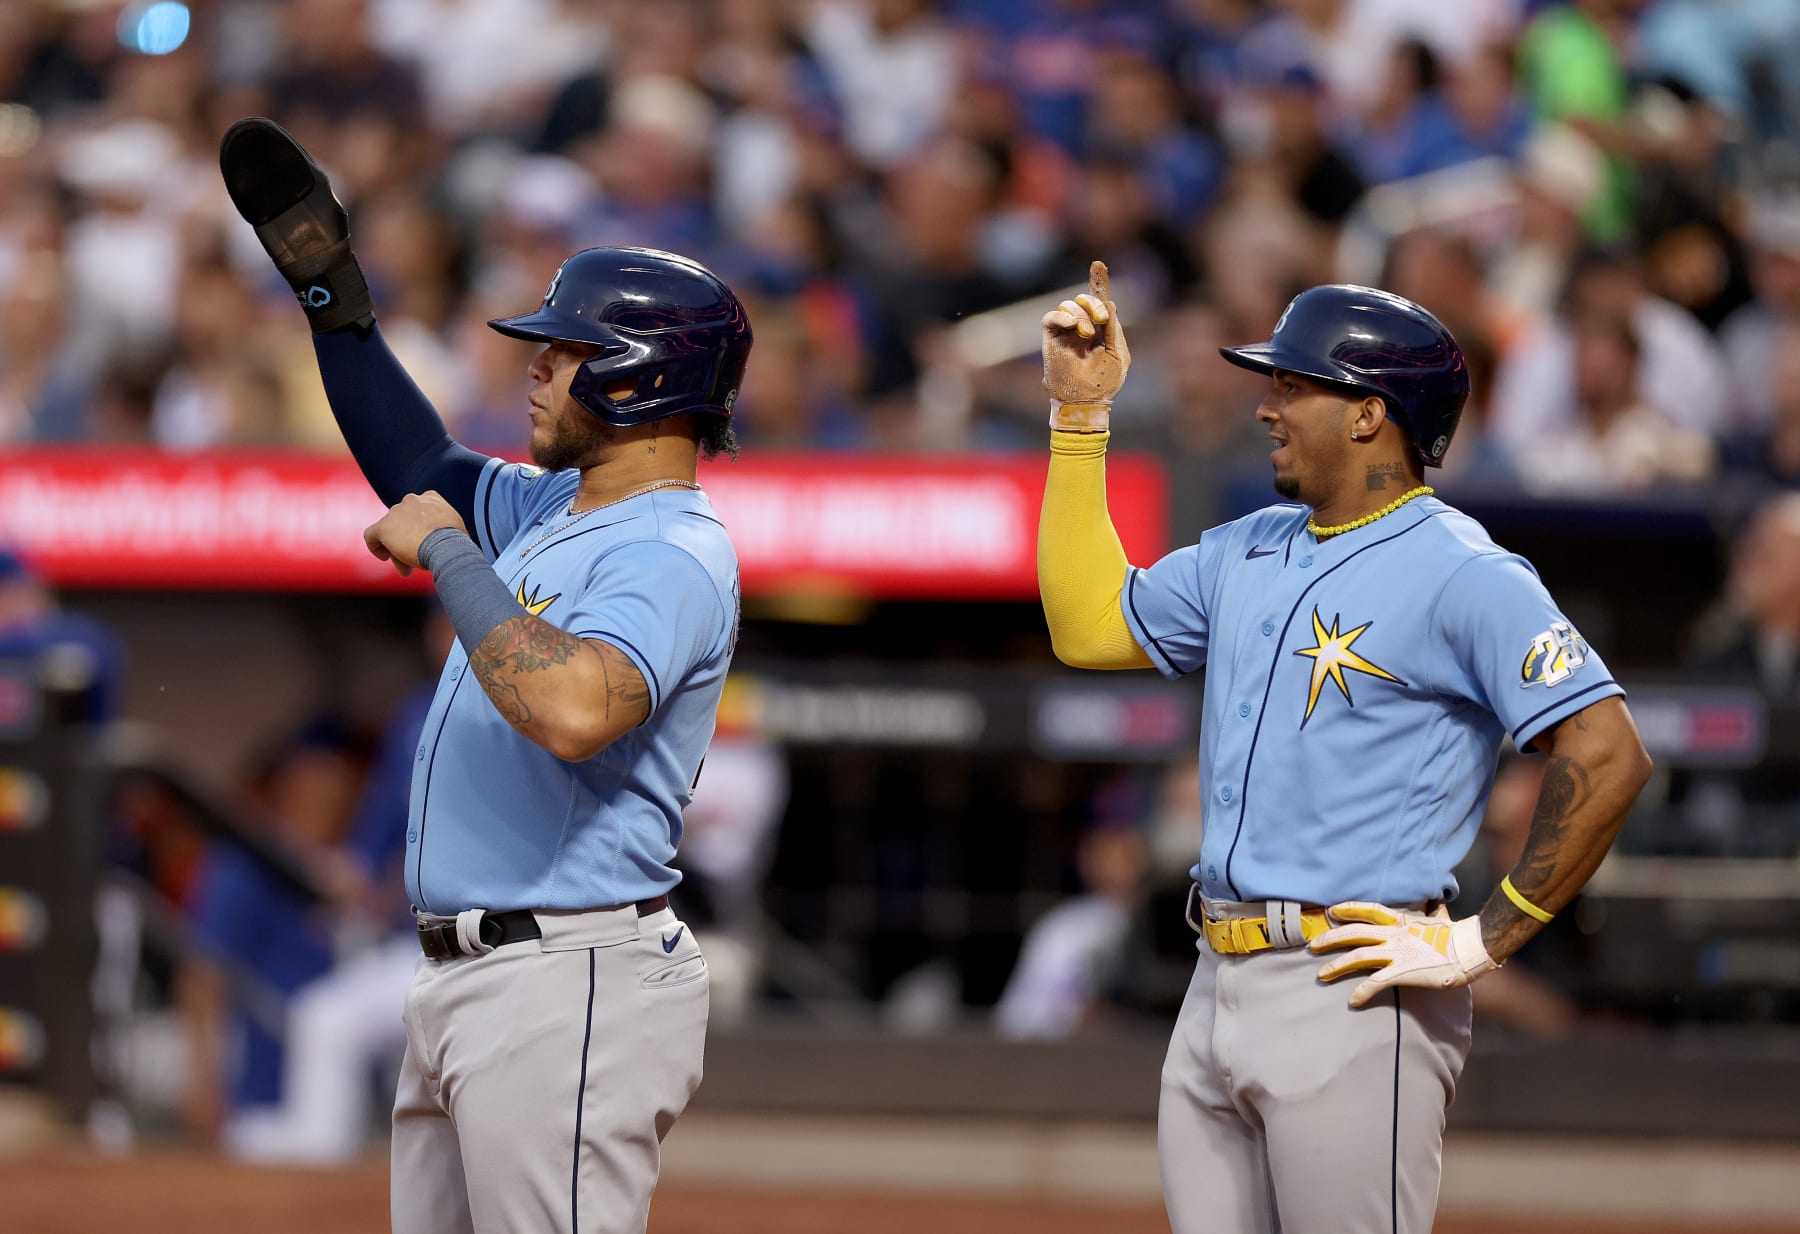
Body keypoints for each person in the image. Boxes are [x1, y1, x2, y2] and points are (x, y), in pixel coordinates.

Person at [1036, 264, 1653, 1233]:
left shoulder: (1464, 570)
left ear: (1369, 414)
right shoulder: (1249, 545)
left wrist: (1484, 936)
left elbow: (1610, 750)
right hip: (1216, 972)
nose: (1267, 407)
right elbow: (1088, 624)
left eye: (1293, 385)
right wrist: (1080, 423)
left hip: (1352, 986)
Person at [219, 117, 750, 1234]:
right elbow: (418, 464)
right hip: (476, 976)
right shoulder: (564, 505)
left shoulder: (672, 549)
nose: (536, 366)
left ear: (643, 375)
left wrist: (450, 556)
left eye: (565, 352)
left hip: (570, 978)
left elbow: (570, 709)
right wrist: (332, 296)